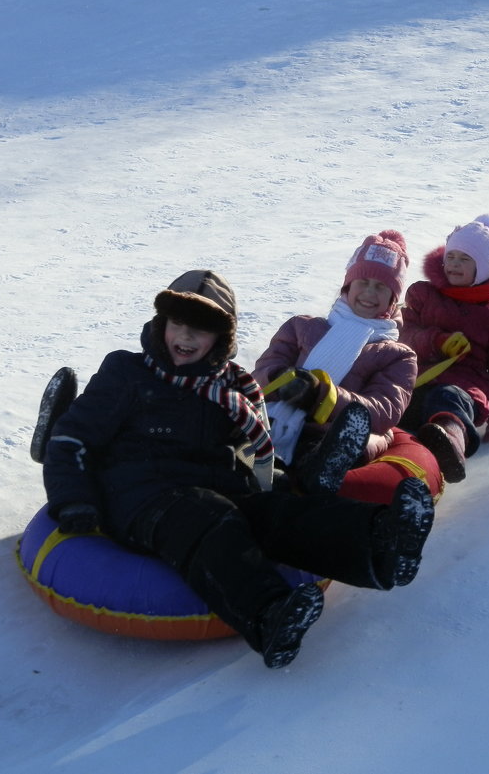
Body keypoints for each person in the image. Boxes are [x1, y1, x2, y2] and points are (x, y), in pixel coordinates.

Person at [41, 269, 435, 669]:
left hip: (215, 487)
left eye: (202, 330)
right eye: (177, 324)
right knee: (210, 518)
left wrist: (276, 482)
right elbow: (73, 439)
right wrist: (72, 500)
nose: (185, 338)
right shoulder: (127, 373)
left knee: (273, 514)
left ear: (221, 340)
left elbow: (252, 451)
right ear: (162, 324)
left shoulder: (231, 388)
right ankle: (267, 616)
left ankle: (380, 544)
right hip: (141, 496)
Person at [251, 230, 417, 491]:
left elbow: (385, 409)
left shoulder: (397, 355)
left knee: (346, 442)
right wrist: (281, 378)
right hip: (276, 416)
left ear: (393, 299)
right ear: (348, 285)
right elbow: (260, 372)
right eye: (363, 282)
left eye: (381, 287)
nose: (370, 293)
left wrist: (324, 396)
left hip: (332, 432)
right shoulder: (301, 327)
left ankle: (313, 477)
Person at [398, 215, 489, 484]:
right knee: (396, 404)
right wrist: (436, 341)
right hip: (417, 381)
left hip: (465, 391)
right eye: (451, 256)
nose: (454, 263)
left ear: (484, 268)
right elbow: (403, 335)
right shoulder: (423, 295)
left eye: (465, 259)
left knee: (447, 397)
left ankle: (450, 442)